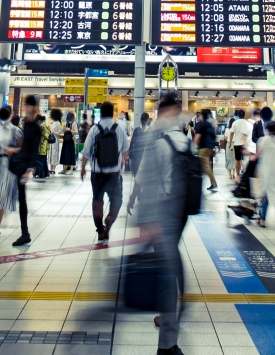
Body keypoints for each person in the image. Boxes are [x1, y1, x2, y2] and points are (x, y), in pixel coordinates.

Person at [127, 90, 195, 355]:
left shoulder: (158, 139)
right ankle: (169, 331)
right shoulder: (183, 140)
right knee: (167, 270)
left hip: (160, 215)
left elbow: (144, 175)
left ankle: (167, 341)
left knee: (161, 273)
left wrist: (138, 206)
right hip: (176, 214)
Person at [80, 100, 130, 243]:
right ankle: (109, 220)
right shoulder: (119, 128)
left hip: (97, 173)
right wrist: (122, 161)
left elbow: (86, 152)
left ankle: (100, 230)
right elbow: (126, 150)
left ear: (101, 113)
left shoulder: (95, 130)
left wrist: (83, 168)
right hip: (114, 173)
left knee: (97, 200)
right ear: (113, 112)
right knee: (117, 200)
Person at [11, 96, 45, 244]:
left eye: (28, 105)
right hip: (19, 163)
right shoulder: (27, 123)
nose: (26, 108)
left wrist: (28, 170)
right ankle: (24, 232)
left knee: (22, 199)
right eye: (25, 105)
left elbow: (34, 150)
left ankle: (25, 233)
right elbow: (26, 148)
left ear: (34, 107)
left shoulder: (35, 127)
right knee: (21, 199)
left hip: (23, 166)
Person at [0, 104, 21, 240]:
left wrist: (11, 150)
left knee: (2, 196)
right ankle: (2, 213)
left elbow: (22, 148)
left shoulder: (16, 131)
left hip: (9, 165)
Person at [195, 108, 220, 192]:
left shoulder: (201, 124)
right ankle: (196, 182)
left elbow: (197, 137)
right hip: (209, 147)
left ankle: (213, 183)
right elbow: (213, 136)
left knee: (206, 166)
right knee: (202, 165)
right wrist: (214, 148)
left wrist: (192, 146)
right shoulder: (209, 124)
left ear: (202, 115)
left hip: (203, 148)